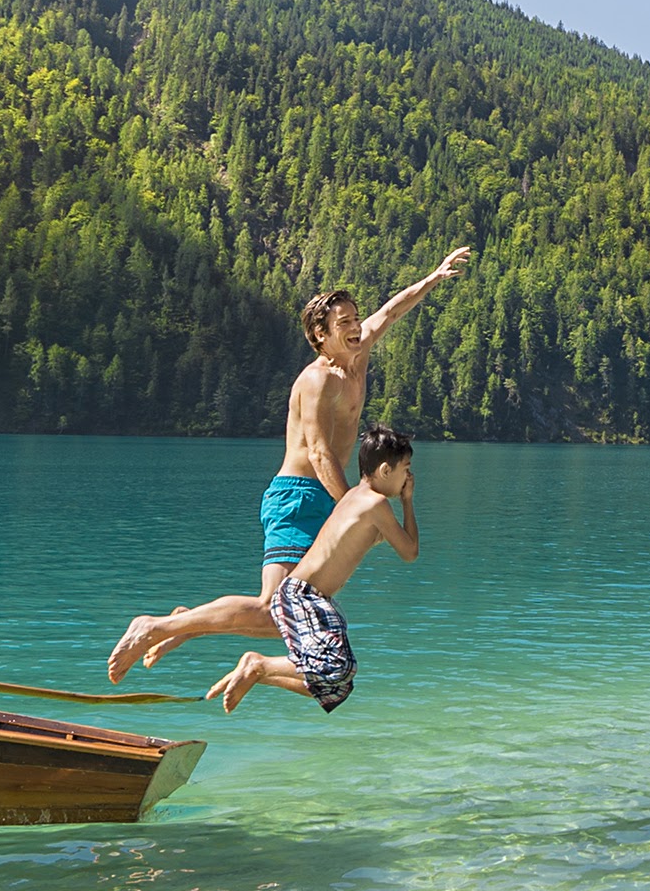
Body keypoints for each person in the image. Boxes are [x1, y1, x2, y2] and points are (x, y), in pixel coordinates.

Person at [109, 246, 467, 681]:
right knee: (272, 610)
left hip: (327, 497)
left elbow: (392, 311)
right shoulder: (316, 381)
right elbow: (318, 453)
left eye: (356, 318)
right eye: (344, 323)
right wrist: (350, 508)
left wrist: (435, 275)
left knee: (286, 617)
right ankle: (158, 626)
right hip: (298, 497)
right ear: (320, 335)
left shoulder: (358, 351)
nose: (356, 327)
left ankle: (187, 623)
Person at [112, 426, 419, 713]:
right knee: (334, 667)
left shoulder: (354, 498)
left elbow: (375, 538)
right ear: (385, 470)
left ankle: (255, 669)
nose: (408, 478)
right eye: (405, 470)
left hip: (313, 598)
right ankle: (255, 664)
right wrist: (408, 502)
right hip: (304, 595)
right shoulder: (376, 504)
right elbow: (409, 552)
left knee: (338, 686)